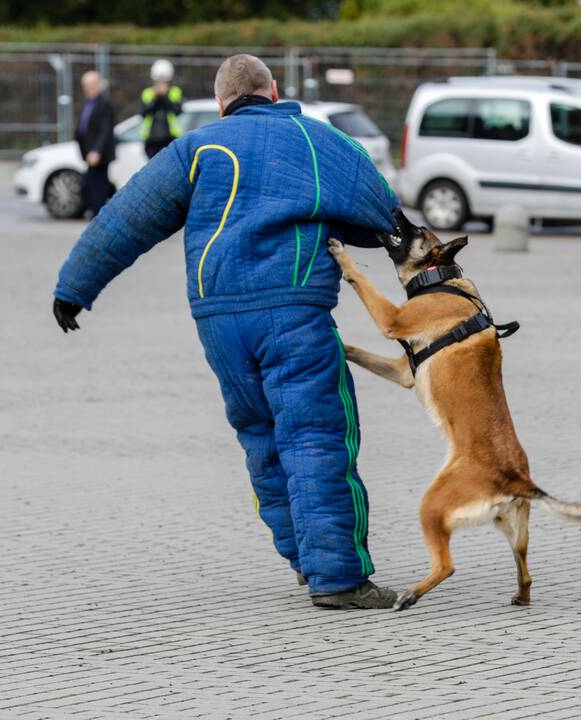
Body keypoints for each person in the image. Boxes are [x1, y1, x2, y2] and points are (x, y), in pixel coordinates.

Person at [51, 54, 400, 609]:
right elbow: (383, 211)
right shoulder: (315, 139)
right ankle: (338, 575)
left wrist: (74, 286)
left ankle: (306, 564)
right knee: (314, 437)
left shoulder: (200, 147)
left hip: (217, 320)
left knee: (262, 440)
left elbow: (128, 216)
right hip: (292, 312)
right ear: (273, 89)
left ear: (220, 102)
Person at [75, 71, 116, 217]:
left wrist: (96, 151)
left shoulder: (104, 104)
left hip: (99, 155)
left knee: (98, 189)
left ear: (98, 85)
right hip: (88, 153)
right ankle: (97, 214)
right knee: (89, 186)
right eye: (85, 85)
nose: (88, 88)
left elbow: (105, 130)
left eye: (91, 85)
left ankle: (99, 217)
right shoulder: (89, 103)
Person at [140, 59, 183, 159]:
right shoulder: (147, 93)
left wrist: (165, 96)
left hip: (170, 137)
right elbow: (144, 113)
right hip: (151, 139)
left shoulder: (175, 92)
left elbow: (177, 111)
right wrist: (155, 98)